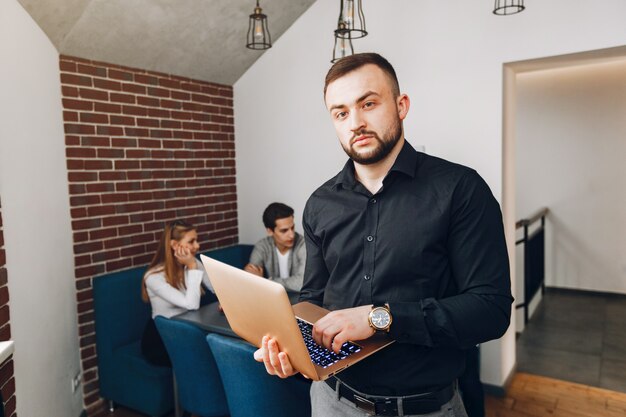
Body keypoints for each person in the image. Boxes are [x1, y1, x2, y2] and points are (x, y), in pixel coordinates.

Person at [254, 52, 513, 417]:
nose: (355, 122)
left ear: (401, 105)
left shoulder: (461, 189)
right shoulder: (319, 204)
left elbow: (491, 309)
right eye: (341, 112)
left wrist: (381, 317)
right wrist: (292, 351)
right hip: (331, 400)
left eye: (369, 103)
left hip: (425, 408)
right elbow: (314, 298)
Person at [140, 220, 213, 366]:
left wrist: (226, 301)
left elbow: (216, 288)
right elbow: (191, 305)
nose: (197, 246)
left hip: (189, 330)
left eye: (196, 241)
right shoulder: (153, 277)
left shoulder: (193, 263)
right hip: (162, 338)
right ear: (174, 245)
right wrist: (192, 267)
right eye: (191, 241)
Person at [244, 202, 306, 292]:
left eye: (292, 228)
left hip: (299, 300)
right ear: (270, 231)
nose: (291, 235)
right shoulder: (262, 246)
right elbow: (250, 276)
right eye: (284, 230)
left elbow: (301, 282)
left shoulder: (303, 244)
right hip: (270, 300)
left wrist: (265, 282)